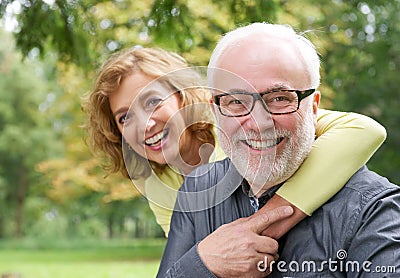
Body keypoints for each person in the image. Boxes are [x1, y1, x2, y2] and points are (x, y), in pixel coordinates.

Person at [157, 23, 400, 277]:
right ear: (216, 110)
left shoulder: (375, 211)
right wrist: (203, 263)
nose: (259, 124)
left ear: (314, 106)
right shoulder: (198, 188)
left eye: (279, 98)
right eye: (236, 102)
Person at [83, 47, 385, 238]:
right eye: (124, 118)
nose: (143, 124)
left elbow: (364, 130)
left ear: (182, 96)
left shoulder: (237, 120)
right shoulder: (156, 181)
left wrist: (274, 215)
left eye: (152, 101)